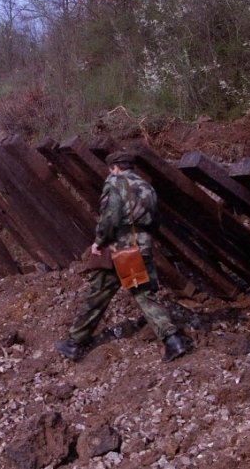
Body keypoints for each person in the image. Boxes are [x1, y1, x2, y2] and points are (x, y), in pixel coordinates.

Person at [55, 151, 191, 363]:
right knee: (144, 295)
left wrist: (99, 242)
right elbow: (155, 220)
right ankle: (173, 340)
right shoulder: (147, 187)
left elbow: (110, 217)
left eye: (111, 169)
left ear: (115, 167)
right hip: (142, 245)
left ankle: (74, 343)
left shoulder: (115, 183)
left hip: (119, 249)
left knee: (98, 294)